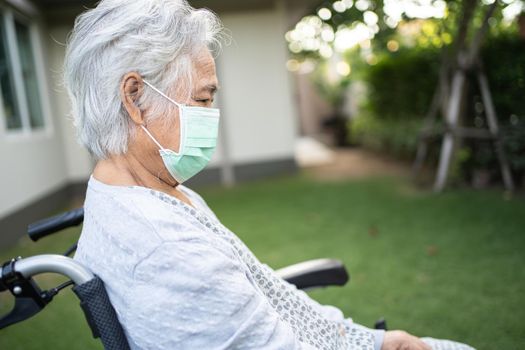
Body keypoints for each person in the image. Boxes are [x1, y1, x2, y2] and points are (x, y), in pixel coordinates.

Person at [66, 1, 474, 349]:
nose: (211, 115)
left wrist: (372, 340)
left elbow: (271, 301)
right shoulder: (164, 250)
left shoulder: (137, 190)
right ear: (135, 97)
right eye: (202, 98)